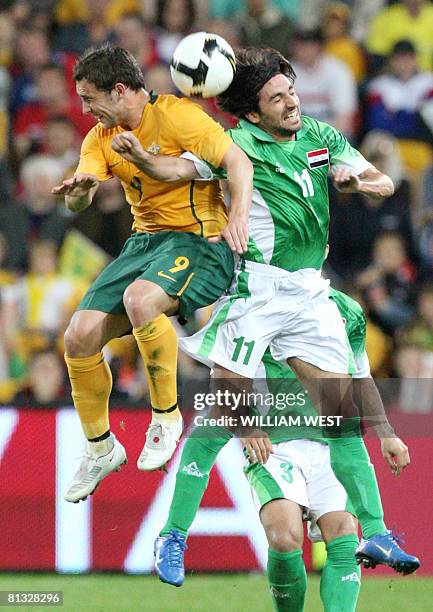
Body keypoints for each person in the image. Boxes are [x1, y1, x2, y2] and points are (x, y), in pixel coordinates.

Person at [138, 47, 418, 580]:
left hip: (309, 292)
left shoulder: (320, 135)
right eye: (277, 98)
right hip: (256, 289)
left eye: (291, 90)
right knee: (224, 411)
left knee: (341, 409)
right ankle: (172, 536)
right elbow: (177, 167)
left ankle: (377, 531)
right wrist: (143, 158)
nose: (292, 103)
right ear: (252, 111)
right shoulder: (236, 146)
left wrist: (362, 181)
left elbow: (382, 179)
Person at [51, 43, 253, 502]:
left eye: (89, 98)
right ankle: (100, 448)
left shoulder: (180, 117)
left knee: (141, 299)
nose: (84, 109)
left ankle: (166, 415)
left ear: (119, 90)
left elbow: (236, 161)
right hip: (144, 245)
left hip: (202, 243)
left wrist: (238, 215)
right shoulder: (98, 137)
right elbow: (81, 193)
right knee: (78, 336)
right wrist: (79, 191)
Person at [154, 290, 420, 596]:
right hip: (274, 447)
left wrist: (387, 432)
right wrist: (247, 425)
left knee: (345, 536)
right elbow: (223, 383)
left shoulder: (346, 311)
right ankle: (172, 534)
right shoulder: (248, 304)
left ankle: (377, 534)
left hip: (331, 445)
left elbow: (362, 377)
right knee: (284, 536)